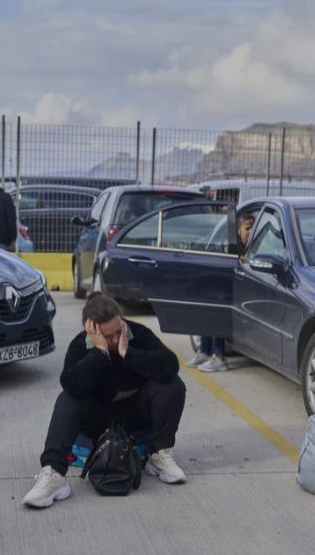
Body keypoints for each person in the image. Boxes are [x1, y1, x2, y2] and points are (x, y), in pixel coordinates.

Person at [23, 292, 188, 509]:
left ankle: (159, 455)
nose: (114, 339)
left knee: (172, 384)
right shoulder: (80, 346)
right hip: (99, 420)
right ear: (91, 330)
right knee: (67, 398)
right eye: (107, 336)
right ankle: (54, 474)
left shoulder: (138, 333)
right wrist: (99, 354)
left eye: (118, 331)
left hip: (134, 415)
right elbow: (71, 385)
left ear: (121, 319)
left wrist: (128, 354)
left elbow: (170, 365)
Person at [188, 213, 255, 373]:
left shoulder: (255, 246)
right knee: (208, 303)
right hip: (230, 288)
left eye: (253, 228)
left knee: (218, 308)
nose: (250, 232)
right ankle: (204, 351)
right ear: (238, 230)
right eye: (247, 228)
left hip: (242, 292)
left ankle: (219, 357)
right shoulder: (231, 246)